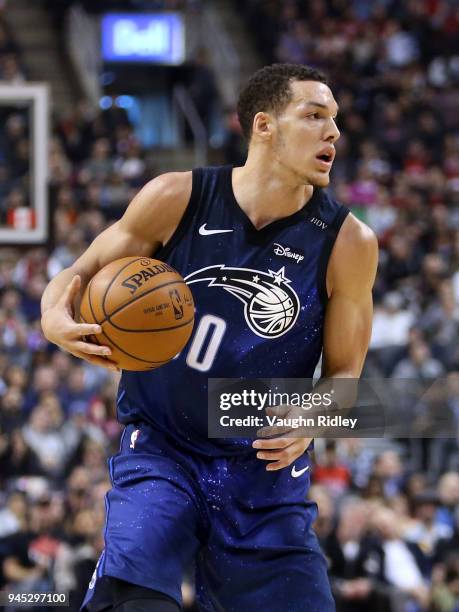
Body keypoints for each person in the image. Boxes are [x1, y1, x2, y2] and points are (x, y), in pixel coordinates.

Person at [41, 64, 378, 612]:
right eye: (315, 116)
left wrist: (313, 417)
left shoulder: (348, 242)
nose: (333, 133)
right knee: (130, 601)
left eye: (335, 120)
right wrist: (53, 315)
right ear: (264, 126)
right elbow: (74, 277)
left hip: (262, 476)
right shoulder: (177, 197)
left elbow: (346, 379)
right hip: (162, 451)